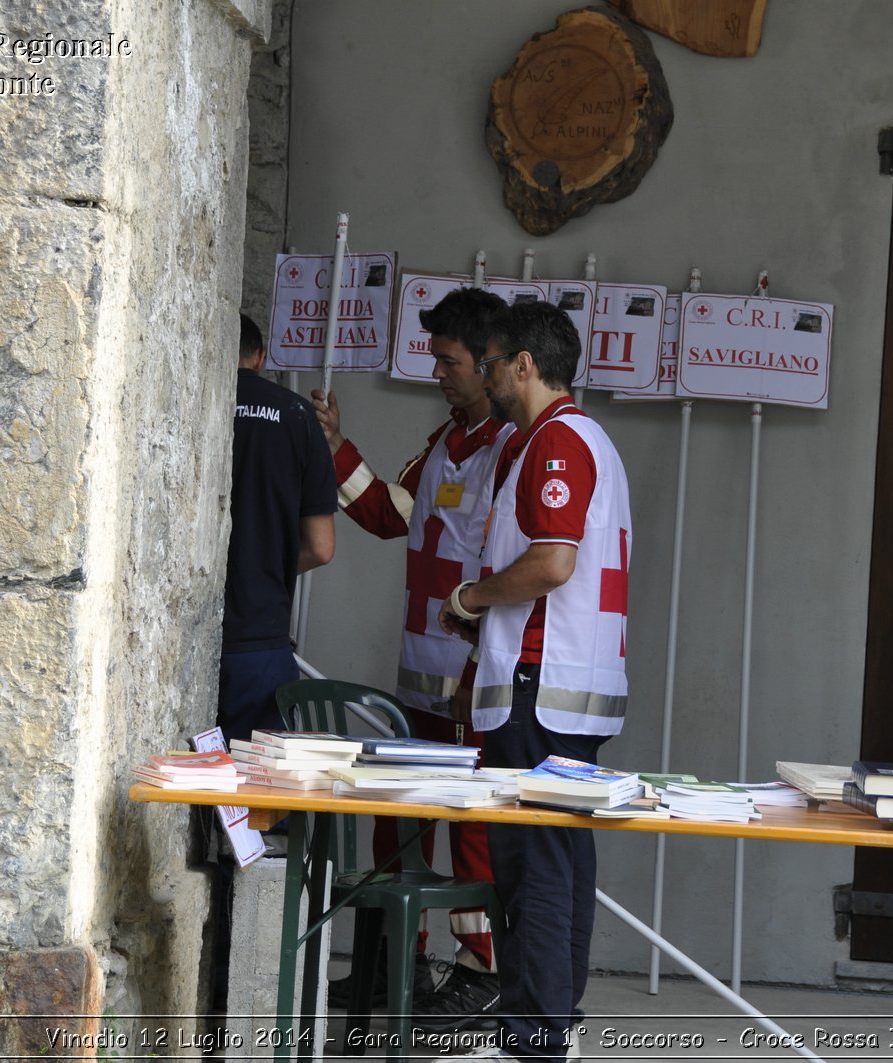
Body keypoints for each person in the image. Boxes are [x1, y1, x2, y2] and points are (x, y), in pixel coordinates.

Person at [434, 300, 631, 1063]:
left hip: (542, 682)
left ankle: (534, 1039)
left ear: (523, 364)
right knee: (559, 856)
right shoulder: (578, 440)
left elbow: (553, 562)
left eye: (488, 363)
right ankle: (550, 1025)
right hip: (558, 677)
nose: (483, 376)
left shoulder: (555, 442)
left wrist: (472, 599)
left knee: (534, 862)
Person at [310, 288, 512, 1029]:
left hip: (467, 682)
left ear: (491, 363)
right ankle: (395, 959)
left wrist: (473, 671)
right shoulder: (446, 440)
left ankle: (481, 971)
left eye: (449, 360)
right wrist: (337, 447)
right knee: (397, 818)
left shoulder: (507, 451)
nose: (438, 372)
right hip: (417, 682)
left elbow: (508, 568)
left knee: (472, 830)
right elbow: (398, 513)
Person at [218, 314, 337, 743]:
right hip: (259, 640)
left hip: (177, 630)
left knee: (179, 785)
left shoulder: (190, 399)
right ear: (260, 357)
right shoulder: (296, 414)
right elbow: (321, 548)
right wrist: (264, 570)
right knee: (257, 794)